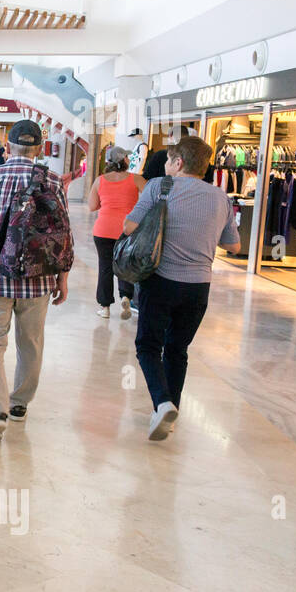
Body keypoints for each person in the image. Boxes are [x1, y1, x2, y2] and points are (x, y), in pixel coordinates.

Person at [124, 135, 241, 441]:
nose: (165, 165)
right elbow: (234, 244)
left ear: (178, 162)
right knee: (177, 350)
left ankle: (162, 403)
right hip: (199, 287)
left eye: (168, 160)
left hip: (160, 281)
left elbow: (129, 227)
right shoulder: (220, 197)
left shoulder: (159, 187)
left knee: (148, 346)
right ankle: (169, 414)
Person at [0, 120, 71, 441]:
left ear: (7, 148)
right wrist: (61, 278)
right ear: (39, 150)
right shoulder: (52, 181)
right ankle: (20, 404)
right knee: (31, 342)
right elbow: (63, 236)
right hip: (38, 280)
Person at [89, 146, 145, 320]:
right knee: (125, 264)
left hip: (103, 229)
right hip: (126, 229)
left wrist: (107, 202)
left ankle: (105, 307)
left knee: (105, 267)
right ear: (125, 161)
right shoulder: (136, 179)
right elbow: (151, 200)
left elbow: (92, 206)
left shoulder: (100, 180)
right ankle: (126, 297)